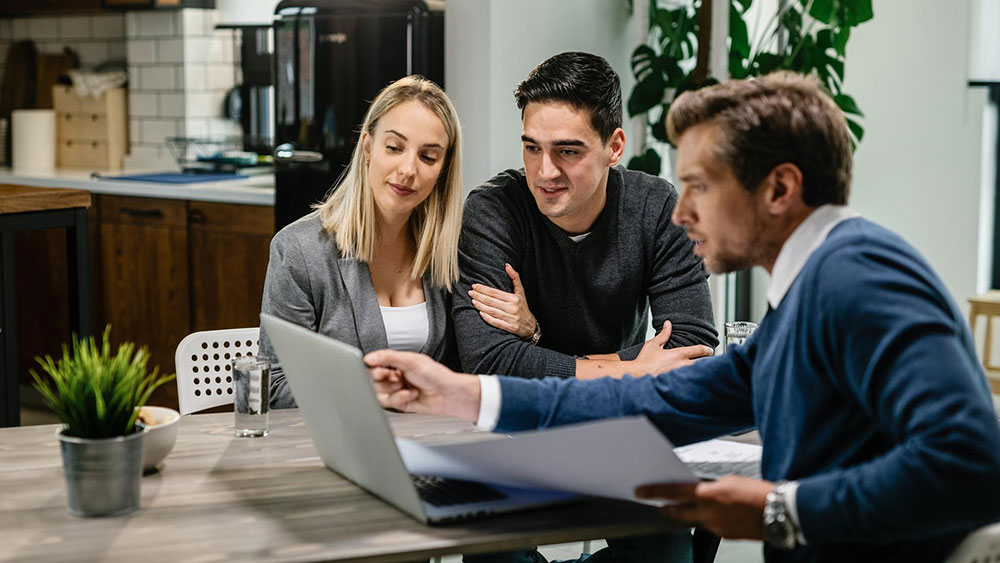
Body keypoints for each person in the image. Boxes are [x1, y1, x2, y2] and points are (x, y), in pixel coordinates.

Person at [367, 72, 1000, 562]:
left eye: (700, 185)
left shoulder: (859, 275)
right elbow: (658, 399)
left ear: (779, 189)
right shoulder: (810, 290)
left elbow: (970, 460)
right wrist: (461, 394)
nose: (679, 212)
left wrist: (779, 509)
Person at [455, 52, 718, 382]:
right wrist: (632, 369)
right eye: (532, 148)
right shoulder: (494, 209)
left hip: (621, 408)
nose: (545, 172)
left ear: (614, 147)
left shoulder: (656, 206)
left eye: (568, 151)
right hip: (527, 411)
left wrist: (535, 340)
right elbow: (487, 359)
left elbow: (693, 346)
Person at [258, 75, 465, 408]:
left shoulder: (450, 251)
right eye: (394, 148)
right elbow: (275, 386)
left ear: (443, 169)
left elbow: (466, 368)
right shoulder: (299, 251)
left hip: (432, 434)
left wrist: (529, 327)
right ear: (368, 147)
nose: (408, 169)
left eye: (428, 157)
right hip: (338, 437)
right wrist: (369, 391)